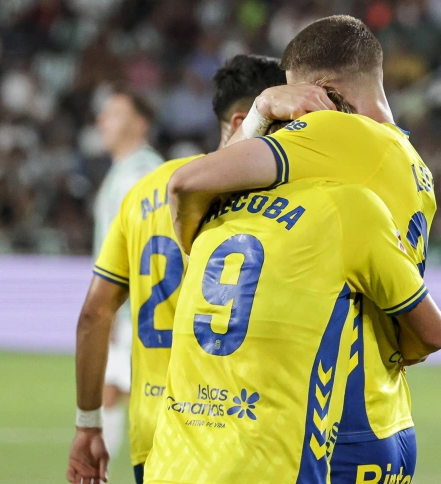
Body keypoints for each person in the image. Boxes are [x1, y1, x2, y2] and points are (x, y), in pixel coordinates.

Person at [164, 15, 438, 482]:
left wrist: (261, 109)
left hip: (330, 421)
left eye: (295, 97)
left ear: (325, 93)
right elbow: (417, 329)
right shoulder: (414, 168)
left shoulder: (340, 133)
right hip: (386, 410)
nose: (290, 117)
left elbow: (189, 182)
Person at [66, 55, 287, 484]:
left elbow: (94, 313)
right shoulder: (281, 202)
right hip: (239, 437)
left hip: (154, 434)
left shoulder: (145, 189)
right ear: (247, 120)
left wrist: (87, 425)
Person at [144, 178, 441, 483]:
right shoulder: (344, 208)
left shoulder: (211, 206)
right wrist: (403, 350)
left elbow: (182, 184)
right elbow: (433, 335)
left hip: (172, 465)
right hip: (271, 466)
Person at [93, 86, 164, 463]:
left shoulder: (139, 175)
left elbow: (142, 249)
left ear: (140, 123)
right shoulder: (129, 170)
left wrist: (114, 307)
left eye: (114, 114)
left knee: (135, 393)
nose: (102, 121)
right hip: (134, 308)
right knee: (111, 390)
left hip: (139, 308)